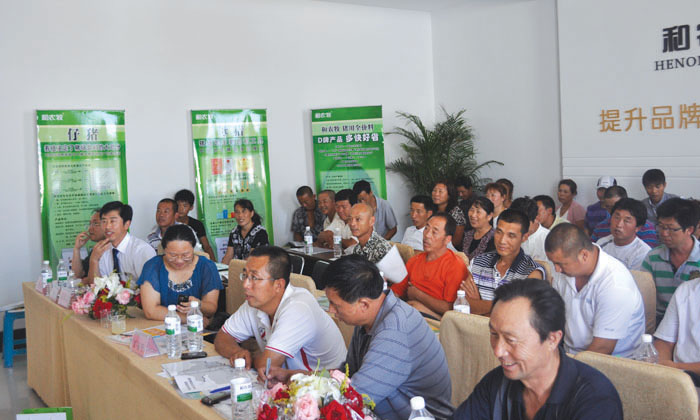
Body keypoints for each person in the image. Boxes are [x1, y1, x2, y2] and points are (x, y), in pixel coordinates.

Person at [453, 278, 623, 420]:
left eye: (511, 340)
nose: (498, 351)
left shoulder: (595, 399)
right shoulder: (497, 384)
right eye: (494, 334)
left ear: (552, 339)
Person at [325, 255, 453, 420]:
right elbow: (348, 374)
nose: (331, 310)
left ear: (363, 304)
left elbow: (353, 398)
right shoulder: (369, 318)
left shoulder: (395, 332)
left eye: (336, 305)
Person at [215, 246, 346, 372]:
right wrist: (238, 352)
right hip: (288, 380)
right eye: (245, 275)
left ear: (278, 285)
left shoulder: (298, 308)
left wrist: (250, 357)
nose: (245, 284)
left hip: (326, 382)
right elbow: (222, 337)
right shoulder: (255, 302)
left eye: (254, 278)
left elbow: (266, 366)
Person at [546, 224, 645, 357]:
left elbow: (602, 348)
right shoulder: (565, 270)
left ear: (584, 255)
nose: (557, 270)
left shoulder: (615, 284)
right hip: (570, 354)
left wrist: (566, 365)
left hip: (614, 361)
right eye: (553, 263)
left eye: (561, 264)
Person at [460, 209, 544, 315]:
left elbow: (519, 315)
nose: (502, 241)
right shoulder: (478, 262)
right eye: (499, 232)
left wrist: (480, 304)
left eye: (511, 236)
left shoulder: (532, 272)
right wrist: (505, 306)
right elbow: (464, 304)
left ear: (524, 237)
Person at [138, 225, 222, 322]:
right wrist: (189, 319)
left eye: (186, 255)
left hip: (197, 327)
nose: (179, 260)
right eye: (172, 255)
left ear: (193, 249)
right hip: (162, 324)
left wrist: (198, 304)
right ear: (164, 250)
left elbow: (211, 308)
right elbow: (151, 311)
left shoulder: (206, 267)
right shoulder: (153, 266)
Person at [391, 213, 468, 319]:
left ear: (447, 239)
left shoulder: (455, 265)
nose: (427, 235)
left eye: (434, 232)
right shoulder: (415, 260)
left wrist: (418, 295)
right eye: (426, 228)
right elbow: (397, 291)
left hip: (438, 321)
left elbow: (450, 308)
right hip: (411, 313)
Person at [641, 198, 700, 325]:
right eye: (661, 227)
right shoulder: (653, 258)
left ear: (689, 230)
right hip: (659, 321)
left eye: (671, 229)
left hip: (694, 322)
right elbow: (644, 296)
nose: (664, 233)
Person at [89, 201, 156, 283]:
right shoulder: (102, 250)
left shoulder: (142, 250)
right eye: (104, 221)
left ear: (126, 224)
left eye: (112, 221)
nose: (107, 227)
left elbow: (151, 285)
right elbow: (95, 286)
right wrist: (94, 260)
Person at [654, 275, 700, 384]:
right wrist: (661, 369)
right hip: (676, 378)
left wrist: (675, 368)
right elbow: (665, 342)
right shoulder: (686, 290)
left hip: (680, 373)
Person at [590, 185, 658, 247]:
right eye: (608, 207)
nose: (612, 210)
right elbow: (591, 249)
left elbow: (650, 254)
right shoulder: (600, 227)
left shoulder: (646, 228)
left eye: (616, 206)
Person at [596, 198, 651, 270]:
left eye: (626, 221)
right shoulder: (601, 243)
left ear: (638, 228)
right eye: (616, 217)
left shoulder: (643, 253)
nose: (619, 224)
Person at [221, 198, 269, 264]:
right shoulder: (234, 232)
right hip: (237, 268)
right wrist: (221, 267)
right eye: (237, 212)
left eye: (244, 211)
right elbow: (228, 256)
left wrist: (236, 268)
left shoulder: (260, 232)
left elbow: (251, 259)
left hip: (253, 268)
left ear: (251, 213)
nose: (240, 215)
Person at [174, 189, 216, 260]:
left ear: (191, 207)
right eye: (178, 205)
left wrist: (214, 263)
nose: (180, 209)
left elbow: (206, 247)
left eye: (185, 206)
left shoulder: (197, 224)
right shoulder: (171, 223)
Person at [510, 196, 549, 262]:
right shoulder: (508, 236)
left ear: (537, 218)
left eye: (523, 223)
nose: (518, 227)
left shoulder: (548, 239)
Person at [71, 208, 105, 282]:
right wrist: (77, 249)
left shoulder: (112, 250)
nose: (89, 229)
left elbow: (93, 282)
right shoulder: (96, 249)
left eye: (95, 224)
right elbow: (77, 275)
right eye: (90, 224)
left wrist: (87, 280)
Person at [431, 180, 466, 249]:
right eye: (434, 190)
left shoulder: (456, 212)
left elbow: (456, 241)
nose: (436, 194)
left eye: (440, 191)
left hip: (449, 249)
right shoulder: (431, 210)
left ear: (450, 195)